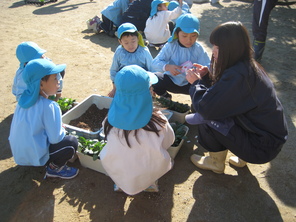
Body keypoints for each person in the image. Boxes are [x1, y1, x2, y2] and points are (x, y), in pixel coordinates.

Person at [185, 21, 288, 174]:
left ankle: (216, 162)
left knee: (206, 118)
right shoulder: (247, 66)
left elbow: (207, 108)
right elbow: (225, 95)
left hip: (260, 147)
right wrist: (207, 78)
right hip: (268, 140)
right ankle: (242, 156)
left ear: (230, 49)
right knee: (223, 110)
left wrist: (196, 84)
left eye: (217, 47)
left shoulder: (238, 76)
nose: (213, 51)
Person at [100, 65, 175, 195]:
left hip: (119, 169)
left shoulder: (109, 121)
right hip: (149, 169)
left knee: (123, 170)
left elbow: (106, 138)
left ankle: (121, 185)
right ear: (150, 92)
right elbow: (169, 141)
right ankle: (149, 185)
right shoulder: (158, 121)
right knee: (151, 167)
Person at [9, 59, 79, 179]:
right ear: (40, 84)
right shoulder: (49, 106)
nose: (58, 81)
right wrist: (62, 129)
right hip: (36, 156)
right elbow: (56, 138)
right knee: (71, 143)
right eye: (54, 78)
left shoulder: (22, 102)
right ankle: (54, 169)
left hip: (20, 155)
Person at [151, 13, 210, 100]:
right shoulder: (171, 46)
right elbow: (155, 63)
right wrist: (167, 67)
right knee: (154, 79)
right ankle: (166, 97)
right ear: (177, 33)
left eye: (193, 36)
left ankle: (196, 107)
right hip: (171, 80)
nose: (189, 40)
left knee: (207, 83)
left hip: (190, 83)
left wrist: (202, 71)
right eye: (184, 36)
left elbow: (208, 65)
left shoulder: (198, 48)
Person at [108, 22, 153, 97]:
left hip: (141, 83)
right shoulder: (119, 52)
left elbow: (152, 69)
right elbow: (114, 70)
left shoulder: (144, 51)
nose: (130, 45)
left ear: (138, 39)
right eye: (126, 43)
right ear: (120, 42)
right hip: (124, 83)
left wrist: (151, 86)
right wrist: (114, 88)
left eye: (133, 41)